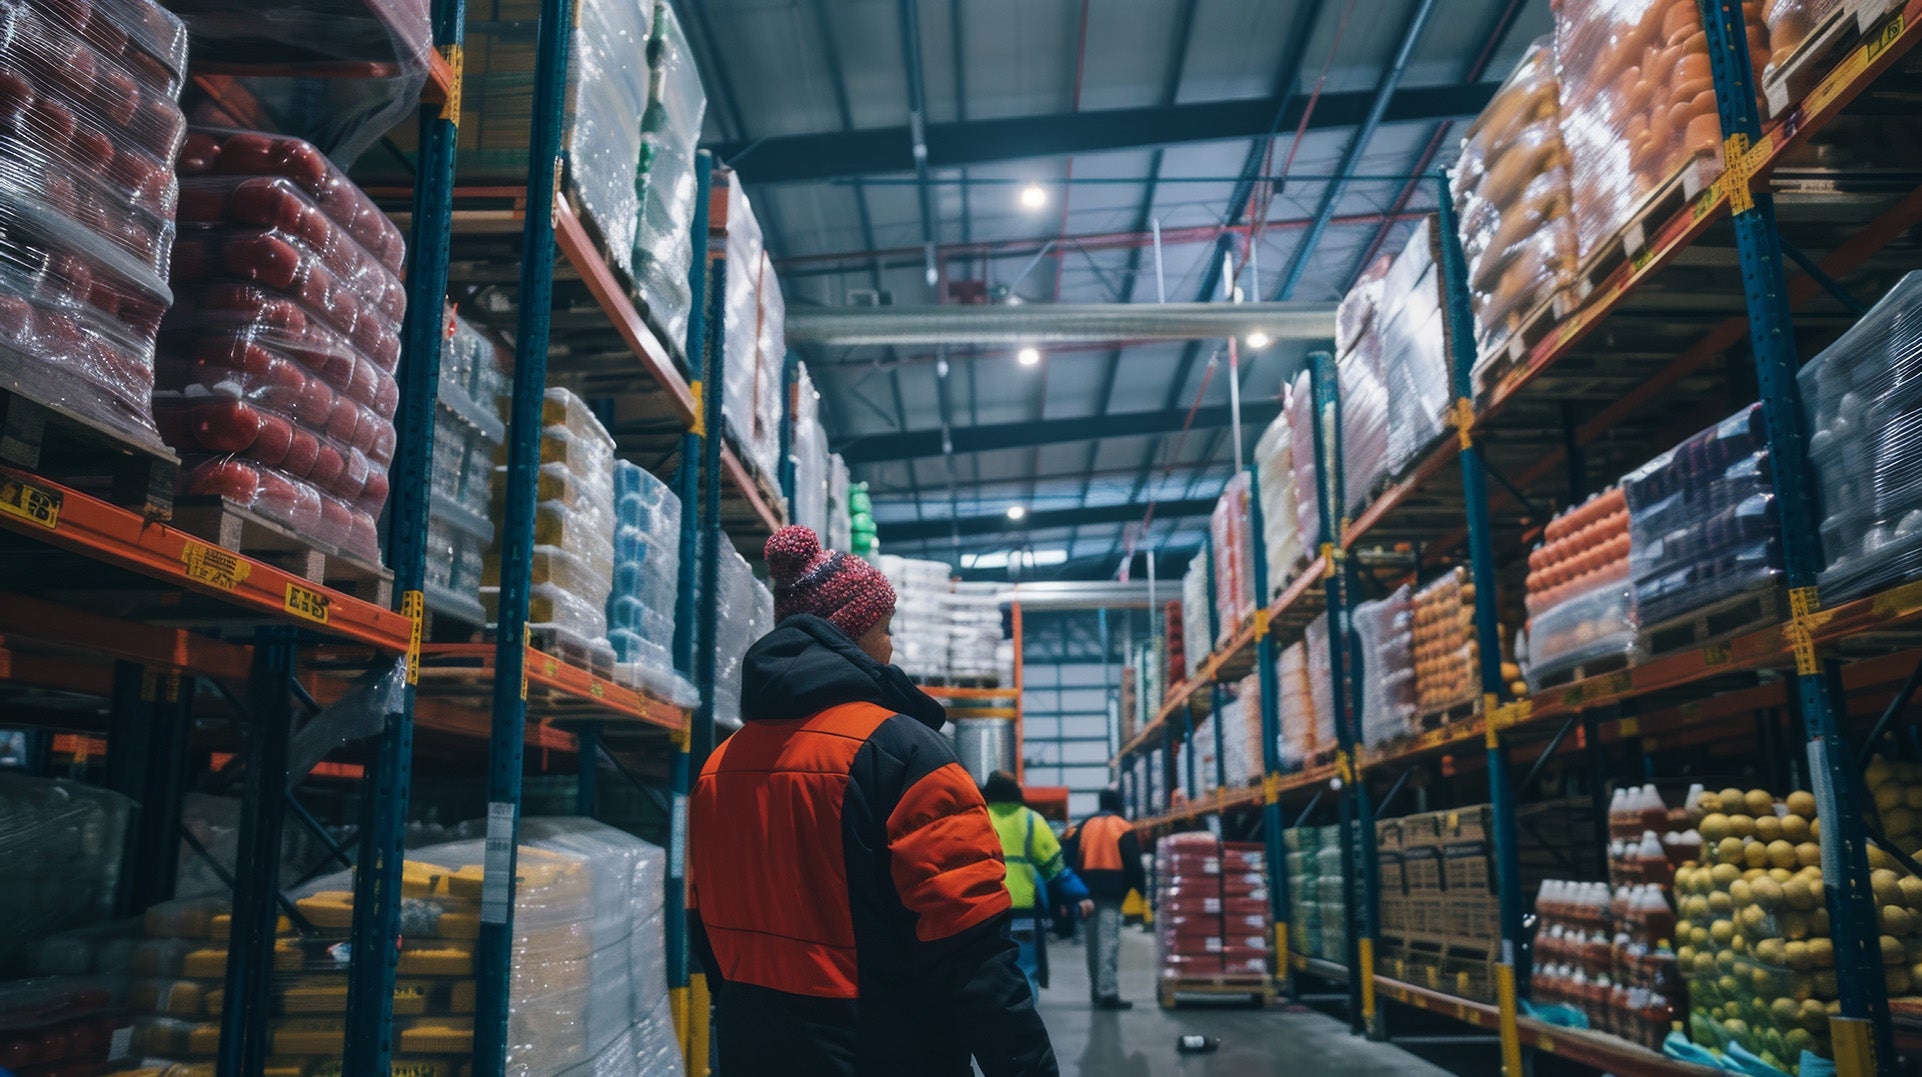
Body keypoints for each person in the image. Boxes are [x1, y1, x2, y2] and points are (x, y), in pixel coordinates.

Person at [687, 526, 1058, 1077]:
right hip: (879, 1052)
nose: (891, 647)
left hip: (752, 1049)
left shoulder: (719, 766)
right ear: (852, 633)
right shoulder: (902, 752)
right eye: (886, 629)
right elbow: (972, 948)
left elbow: (704, 924)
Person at [982, 770, 1092, 995]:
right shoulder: (1032, 820)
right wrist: (1080, 895)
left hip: (987, 910)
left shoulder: (979, 819)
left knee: (987, 973)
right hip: (1023, 910)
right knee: (1024, 971)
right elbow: (1055, 868)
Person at [1063, 788, 1148, 1009]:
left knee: (1093, 944)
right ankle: (1108, 992)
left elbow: (1069, 858)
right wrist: (1140, 891)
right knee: (1108, 942)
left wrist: (1072, 892)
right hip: (1112, 892)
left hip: (1086, 893)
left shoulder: (1085, 825)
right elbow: (1134, 864)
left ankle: (1096, 990)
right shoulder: (1122, 825)